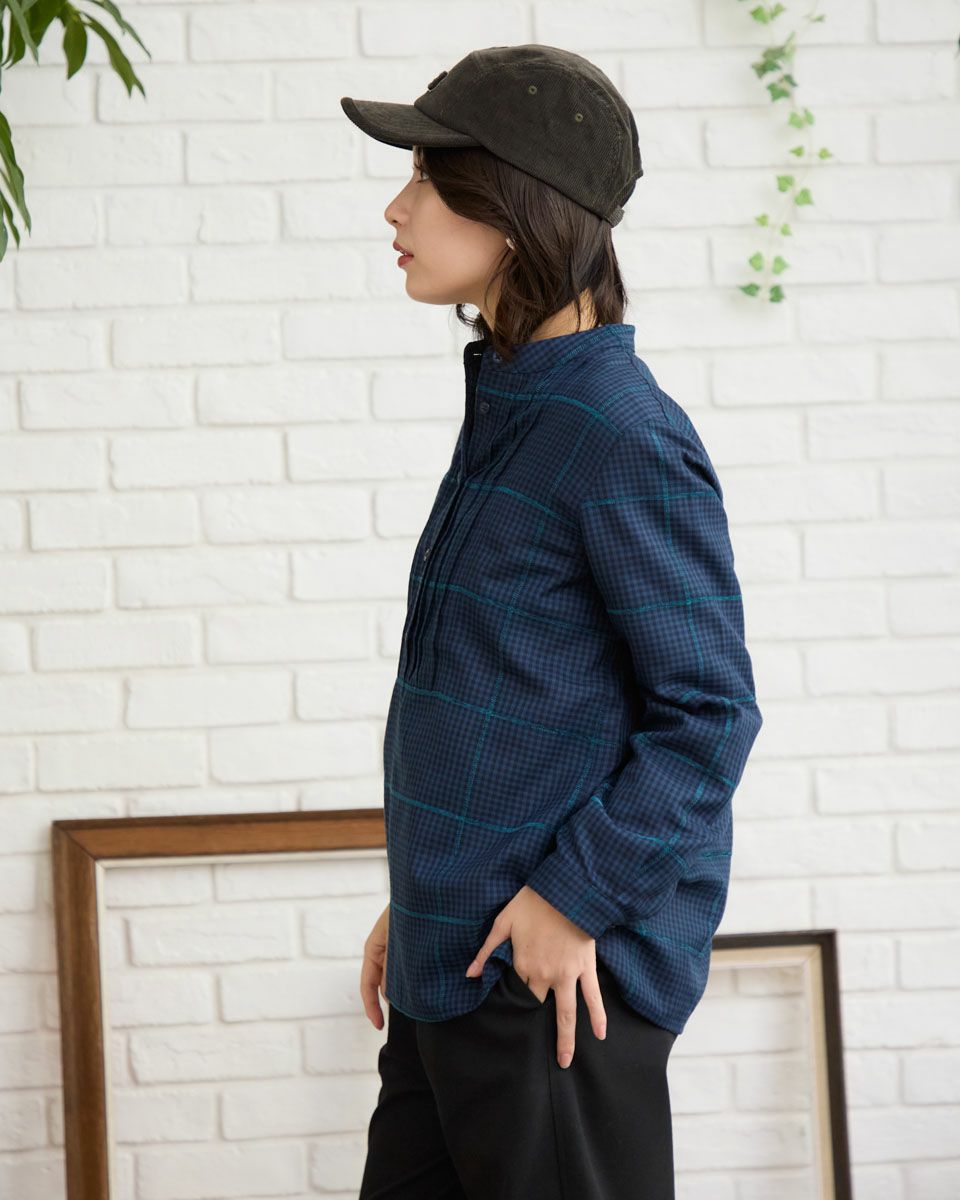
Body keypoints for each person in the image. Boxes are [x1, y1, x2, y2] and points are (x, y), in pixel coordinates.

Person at [340, 44, 763, 1200]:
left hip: (554, 985)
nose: (397, 208)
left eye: (429, 180)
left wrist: (575, 896)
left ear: (515, 208)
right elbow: (506, 696)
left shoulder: (618, 430)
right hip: (458, 955)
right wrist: (425, 894)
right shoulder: (520, 402)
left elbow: (709, 715)